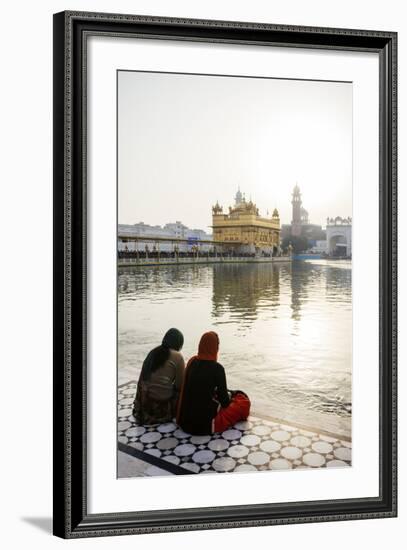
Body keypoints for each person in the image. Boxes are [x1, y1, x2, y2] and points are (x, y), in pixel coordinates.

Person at [176, 331, 251, 435]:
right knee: (243, 402)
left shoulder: (192, 362)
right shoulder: (217, 369)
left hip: (185, 423)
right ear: (215, 347)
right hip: (204, 426)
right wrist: (230, 396)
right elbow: (225, 403)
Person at [132, 328, 185, 425]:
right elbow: (179, 385)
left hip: (143, 405)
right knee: (183, 392)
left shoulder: (153, 352)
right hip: (160, 409)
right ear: (179, 344)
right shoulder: (178, 356)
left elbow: (142, 380)